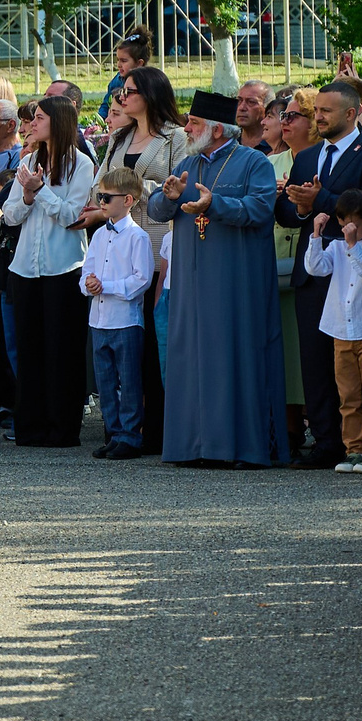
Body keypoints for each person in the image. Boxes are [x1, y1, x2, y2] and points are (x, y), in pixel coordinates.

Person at [148, 91, 287, 467]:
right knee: (190, 359)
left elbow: (260, 209)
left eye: (192, 122)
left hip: (235, 285)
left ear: (216, 130)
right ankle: (191, 446)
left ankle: (237, 448)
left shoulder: (252, 162)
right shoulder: (188, 162)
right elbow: (158, 210)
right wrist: (169, 196)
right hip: (191, 286)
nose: (186, 128)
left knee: (233, 358)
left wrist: (215, 205)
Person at [281, 82, 362, 469]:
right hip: (314, 270)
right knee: (315, 361)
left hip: (355, 271)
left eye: (327, 111)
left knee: (359, 371)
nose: (319, 117)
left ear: (353, 112)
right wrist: (298, 207)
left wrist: (322, 201)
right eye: (317, 111)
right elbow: (286, 213)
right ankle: (327, 442)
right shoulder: (307, 155)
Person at [98, 66, 195, 453]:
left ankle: (157, 429)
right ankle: (125, 428)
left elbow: (180, 184)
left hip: (157, 243)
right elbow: (99, 185)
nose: (122, 96)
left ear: (151, 94)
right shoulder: (120, 136)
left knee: (155, 342)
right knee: (127, 345)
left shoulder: (176, 137)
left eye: (130, 90)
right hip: (119, 248)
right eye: (121, 90)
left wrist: (134, 189)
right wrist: (116, 194)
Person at [2, 95, 95, 447]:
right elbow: (10, 216)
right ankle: (31, 426)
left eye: (39, 118)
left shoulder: (81, 164)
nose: (32, 124)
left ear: (58, 121)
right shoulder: (28, 159)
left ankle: (62, 428)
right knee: (29, 349)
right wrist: (26, 196)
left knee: (63, 349)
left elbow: (73, 216)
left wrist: (40, 191)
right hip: (26, 267)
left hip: (64, 266)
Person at [305, 191, 362, 472]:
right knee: (348, 396)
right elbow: (315, 268)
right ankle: (353, 449)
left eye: (354, 223)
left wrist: (353, 245)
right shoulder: (336, 246)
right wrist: (316, 236)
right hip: (340, 330)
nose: (348, 229)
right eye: (343, 223)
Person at [81, 167, 151, 460]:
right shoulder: (98, 236)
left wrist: (105, 285)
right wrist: (88, 283)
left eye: (107, 197)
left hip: (125, 321)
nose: (102, 202)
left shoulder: (138, 237)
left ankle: (131, 436)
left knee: (129, 380)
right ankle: (113, 432)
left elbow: (141, 280)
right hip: (99, 320)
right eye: (100, 197)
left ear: (129, 200)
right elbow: (87, 269)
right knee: (105, 381)